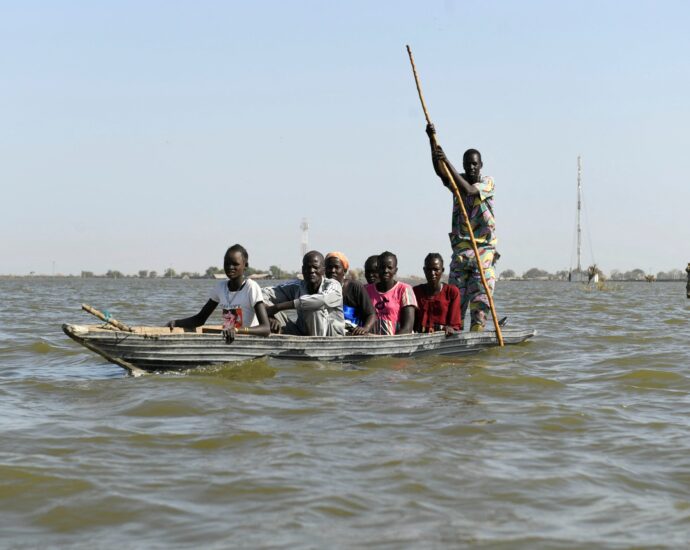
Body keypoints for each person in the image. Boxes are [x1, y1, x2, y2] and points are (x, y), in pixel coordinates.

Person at [426, 123, 498, 332]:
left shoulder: (487, 182)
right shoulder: (459, 180)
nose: (471, 168)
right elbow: (442, 174)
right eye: (468, 165)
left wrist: (446, 160)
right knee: (454, 299)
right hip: (461, 250)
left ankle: (477, 330)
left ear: (481, 164)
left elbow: (468, 191)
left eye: (475, 164)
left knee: (480, 299)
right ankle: (454, 333)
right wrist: (432, 142)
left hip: (483, 250)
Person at [166, 244, 270, 342]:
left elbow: (265, 329)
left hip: (248, 340)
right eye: (227, 263)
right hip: (229, 339)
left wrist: (237, 330)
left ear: (245, 266)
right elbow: (200, 319)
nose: (230, 267)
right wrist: (176, 323)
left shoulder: (251, 287)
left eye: (235, 264)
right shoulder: (220, 287)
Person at [262, 251, 345, 336]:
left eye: (315, 267)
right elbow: (262, 293)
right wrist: (270, 316)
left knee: (313, 307)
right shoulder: (297, 286)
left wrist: (278, 307)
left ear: (323, 270)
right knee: (259, 302)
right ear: (302, 270)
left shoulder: (334, 285)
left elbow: (321, 300)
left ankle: (316, 346)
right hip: (302, 333)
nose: (311, 271)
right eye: (308, 267)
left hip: (331, 336)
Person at [365, 251, 417, 335]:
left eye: (389, 267)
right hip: (372, 343)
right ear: (378, 269)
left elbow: (408, 328)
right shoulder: (367, 290)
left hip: (397, 343)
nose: (386, 270)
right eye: (382, 267)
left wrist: (391, 343)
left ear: (395, 270)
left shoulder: (404, 289)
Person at [325, 251, 376, 335]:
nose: (332, 270)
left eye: (337, 267)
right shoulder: (322, 288)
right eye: (329, 267)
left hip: (353, 335)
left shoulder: (355, 287)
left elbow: (371, 314)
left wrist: (365, 328)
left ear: (344, 270)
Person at [413, 253, 462, 335]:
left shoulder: (451, 292)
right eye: (429, 269)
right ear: (424, 270)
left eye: (436, 270)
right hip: (418, 338)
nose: (432, 273)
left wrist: (449, 328)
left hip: (442, 341)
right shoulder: (415, 292)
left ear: (442, 270)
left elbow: (454, 325)